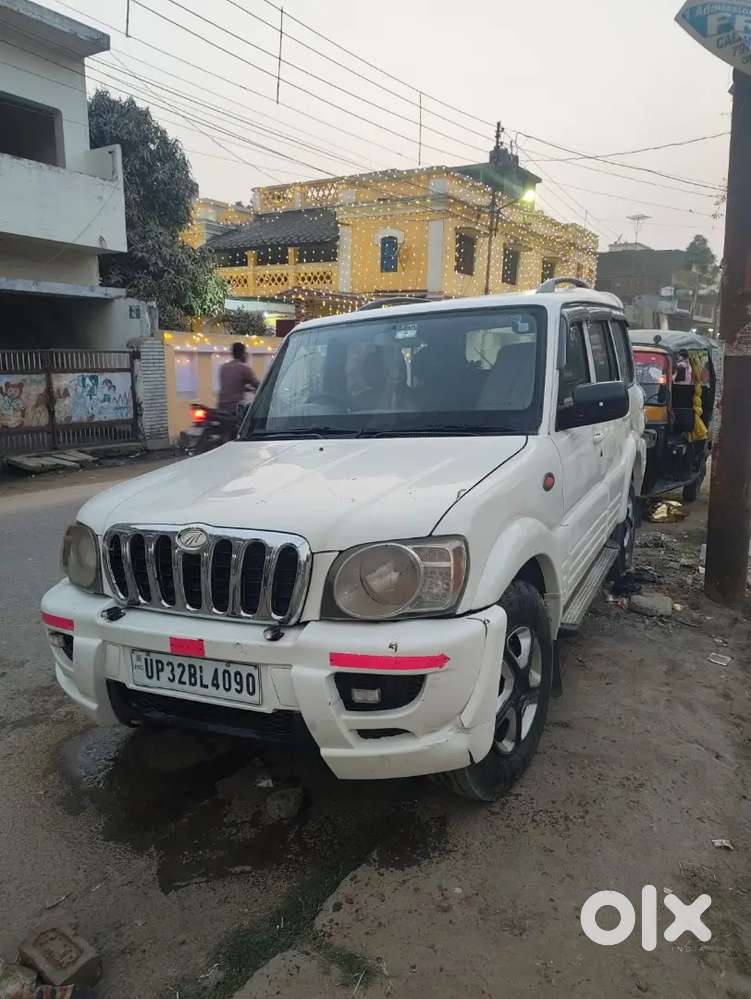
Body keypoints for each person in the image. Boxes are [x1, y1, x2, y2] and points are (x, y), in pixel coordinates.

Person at [218, 341, 260, 413]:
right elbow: (257, 385)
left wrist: (248, 389)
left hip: (221, 406)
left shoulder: (224, 367)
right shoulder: (244, 368)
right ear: (243, 354)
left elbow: (232, 385)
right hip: (235, 407)